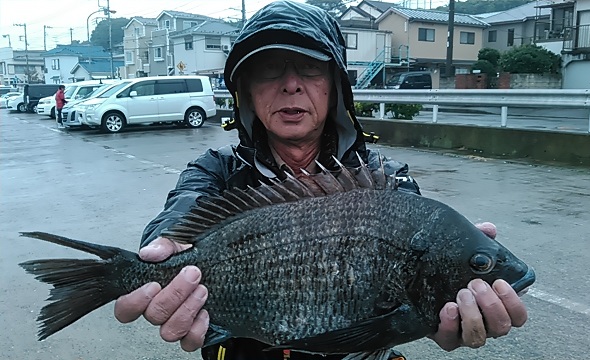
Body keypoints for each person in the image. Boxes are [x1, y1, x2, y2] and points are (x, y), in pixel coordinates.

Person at [113, 2, 528, 359]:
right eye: (270, 70)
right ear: (246, 92)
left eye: (310, 68)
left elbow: (414, 295)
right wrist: (162, 248)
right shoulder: (216, 169)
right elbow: (181, 215)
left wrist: (441, 322)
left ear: (336, 86)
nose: (291, 84)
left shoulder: (385, 183)